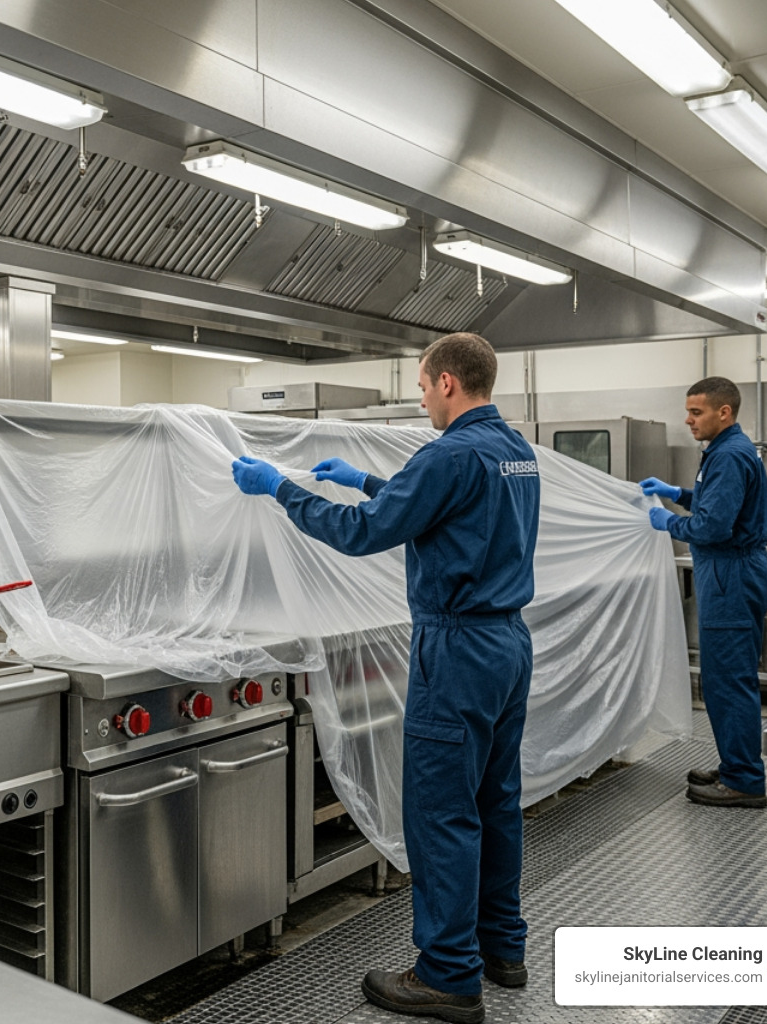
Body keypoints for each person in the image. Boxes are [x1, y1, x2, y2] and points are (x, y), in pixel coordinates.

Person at [230, 333, 539, 1024]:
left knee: (442, 814)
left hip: (457, 648)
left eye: (426, 387)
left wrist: (281, 489)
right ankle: (502, 949)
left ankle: (448, 976)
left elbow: (363, 535)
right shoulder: (514, 452)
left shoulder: (450, 452)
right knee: (495, 802)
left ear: (449, 383)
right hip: (508, 644)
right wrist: (366, 481)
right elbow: (448, 512)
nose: (425, 399)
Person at [641, 377, 767, 809]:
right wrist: (678, 495)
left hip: (730, 574)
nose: (688, 419)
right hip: (730, 572)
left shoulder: (730, 455)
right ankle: (737, 764)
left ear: (724, 413)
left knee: (728, 681)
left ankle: (744, 780)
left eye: (696, 412)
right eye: (688, 410)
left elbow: (714, 526)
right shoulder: (725, 451)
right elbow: (716, 503)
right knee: (726, 678)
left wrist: (669, 524)